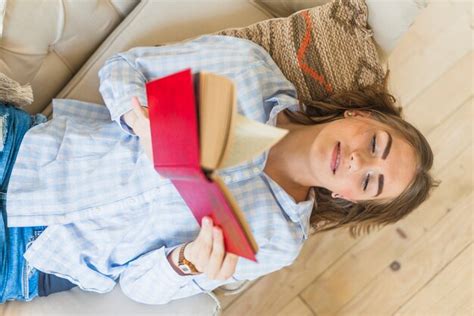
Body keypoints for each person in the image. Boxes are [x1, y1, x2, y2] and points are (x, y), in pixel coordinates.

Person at [0, 35, 436, 304]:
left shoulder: (274, 240)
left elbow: (137, 286)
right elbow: (124, 68)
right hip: (26, 153)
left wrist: (186, 264)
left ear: (349, 197)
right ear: (359, 114)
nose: (360, 161)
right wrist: (141, 119)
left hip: (34, 259)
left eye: (370, 182)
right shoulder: (246, 69)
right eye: (376, 143)